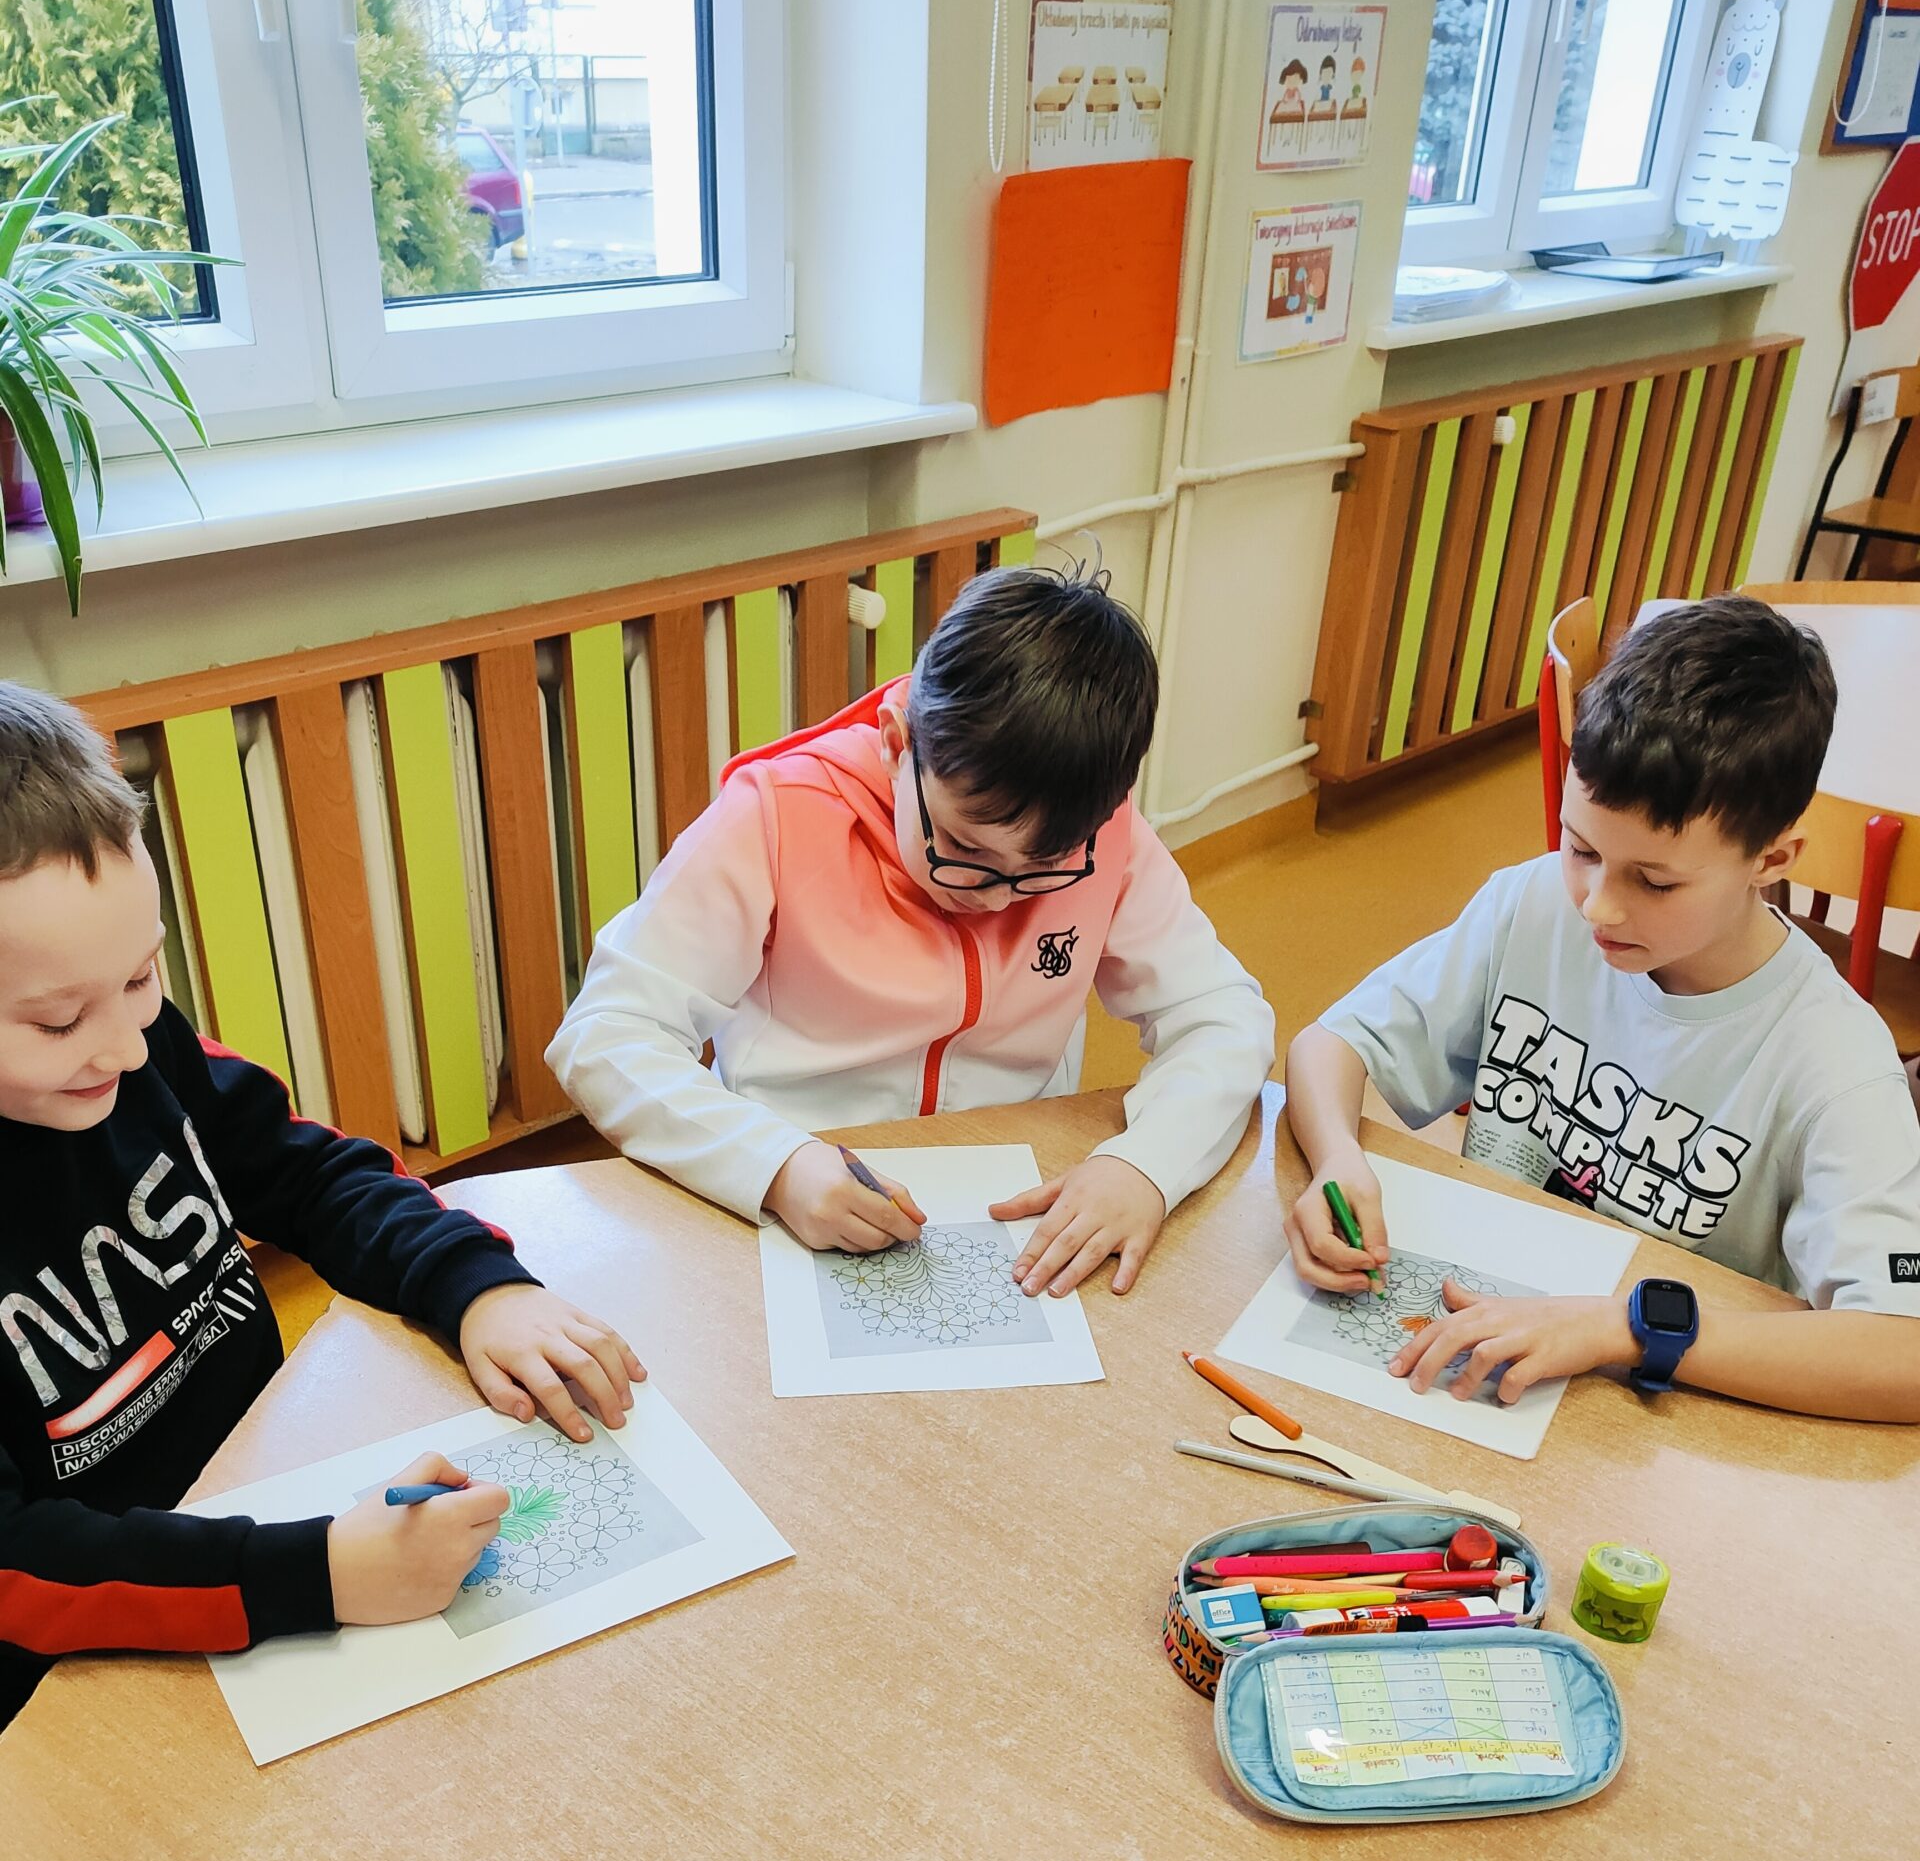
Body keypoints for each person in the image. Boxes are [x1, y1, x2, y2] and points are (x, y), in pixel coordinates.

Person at [0, 684, 643, 1729]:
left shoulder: (134, 1042)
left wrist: (475, 1286)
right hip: (94, 1673)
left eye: (143, 974)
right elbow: (17, 1566)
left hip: (271, 1482)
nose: (124, 1044)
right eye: (58, 1021)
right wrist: (318, 1574)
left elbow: (310, 1173)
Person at [549, 564, 1274, 1301]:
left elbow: (1222, 1016)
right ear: (898, 745)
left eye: (1044, 866)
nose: (998, 896)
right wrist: (775, 1165)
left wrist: (1145, 1165)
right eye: (965, 849)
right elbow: (606, 1035)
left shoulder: (1103, 836)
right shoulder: (775, 816)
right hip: (797, 1183)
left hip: (1011, 1188)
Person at [1281, 595, 1920, 1421]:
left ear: (1772, 859)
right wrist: (1337, 1157)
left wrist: (1630, 1331)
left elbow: (1903, 1352)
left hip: (1662, 1415)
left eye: (1654, 881)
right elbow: (1330, 1044)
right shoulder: (1531, 906)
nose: (1598, 906)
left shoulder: (1833, 1060)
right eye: (1580, 847)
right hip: (1484, 1361)